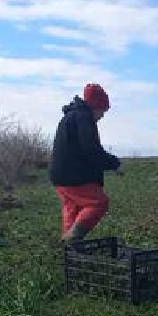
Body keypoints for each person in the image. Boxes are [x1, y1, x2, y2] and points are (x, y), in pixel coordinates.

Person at [49, 83, 121, 242]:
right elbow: (91, 149)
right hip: (73, 176)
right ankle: (72, 238)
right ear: (94, 106)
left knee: (73, 208)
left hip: (60, 176)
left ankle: (70, 249)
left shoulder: (71, 116)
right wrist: (114, 164)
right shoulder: (83, 118)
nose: (102, 116)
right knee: (99, 203)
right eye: (102, 110)